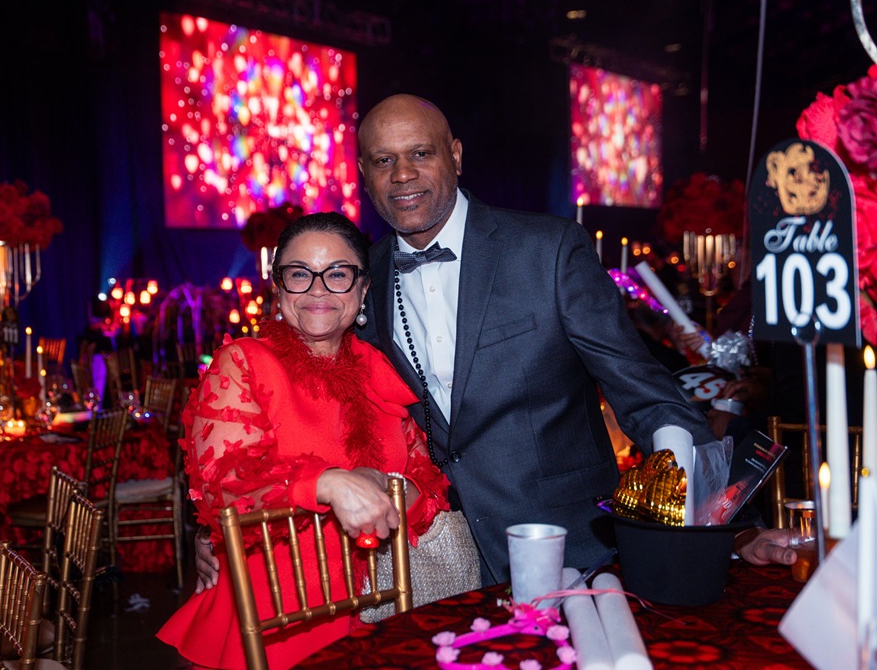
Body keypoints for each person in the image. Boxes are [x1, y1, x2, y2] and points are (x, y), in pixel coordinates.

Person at [194, 94, 799, 593]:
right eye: (383, 160)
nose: (402, 175)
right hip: (436, 568)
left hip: (574, 554)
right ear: (363, 174)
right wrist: (220, 533)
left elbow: (645, 395)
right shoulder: (358, 279)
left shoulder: (547, 250)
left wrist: (725, 527)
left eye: (420, 154)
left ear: (455, 156)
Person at [157, 212, 451, 669]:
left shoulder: (378, 370)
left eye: (338, 274)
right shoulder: (244, 363)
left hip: (378, 616)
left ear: (363, 289)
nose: (318, 290)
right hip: (271, 625)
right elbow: (226, 481)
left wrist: (383, 487)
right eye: (300, 275)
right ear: (278, 288)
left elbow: (426, 488)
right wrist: (330, 484)